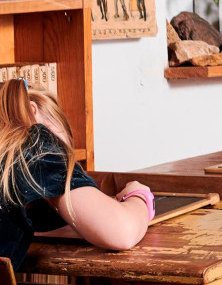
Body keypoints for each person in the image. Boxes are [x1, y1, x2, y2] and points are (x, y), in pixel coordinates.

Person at [1, 79, 151, 268]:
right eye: (61, 145)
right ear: (32, 110)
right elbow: (123, 232)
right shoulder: (34, 142)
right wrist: (139, 195)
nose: (60, 153)